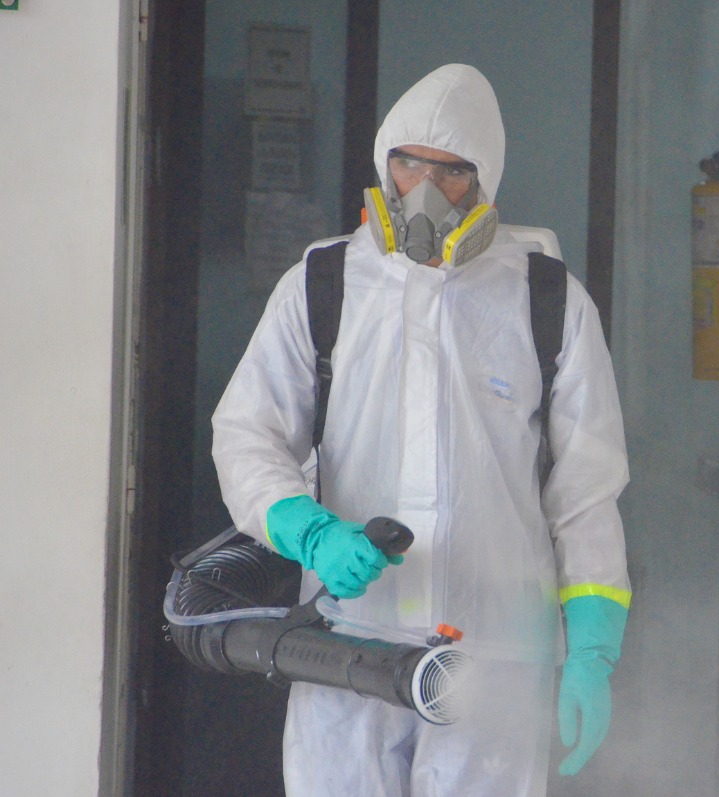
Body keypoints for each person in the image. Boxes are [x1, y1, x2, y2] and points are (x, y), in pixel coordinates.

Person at [212, 63, 631, 796]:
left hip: (497, 654)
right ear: (385, 165)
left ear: (486, 182)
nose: (426, 191)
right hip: (345, 643)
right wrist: (310, 531)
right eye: (409, 164)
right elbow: (248, 433)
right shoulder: (323, 285)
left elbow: (586, 490)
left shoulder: (548, 301)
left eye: (452, 172)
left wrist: (592, 648)